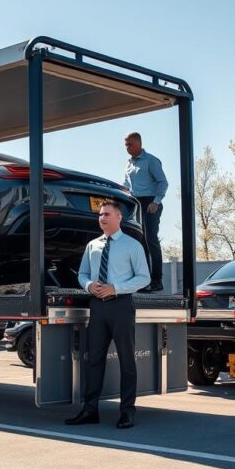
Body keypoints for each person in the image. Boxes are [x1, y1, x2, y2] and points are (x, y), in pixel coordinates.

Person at [65, 201, 150, 429]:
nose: (102, 218)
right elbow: (82, 274)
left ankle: (127, 412)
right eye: (100, 215)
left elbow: (144, 278)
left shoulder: (132, 245)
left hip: (121, 305)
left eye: (107, 214)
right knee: (94, 360)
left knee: (126, 360)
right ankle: (90, 410)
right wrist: (89, 285)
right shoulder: (92, 246)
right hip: (98, 307)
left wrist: (116, 287)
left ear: (119, 217)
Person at [120, 132, 167, 292]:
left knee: (150, 240)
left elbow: (163, 182)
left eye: (130, 144)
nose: (127, 147)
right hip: (135, 204)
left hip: (151, 203)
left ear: (139, 143)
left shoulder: (151, 161)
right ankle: (143, 281)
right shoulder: (128, 164)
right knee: (139, 243)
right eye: (126, 145)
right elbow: (126, 185)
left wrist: (156, 201)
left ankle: (157, 280)